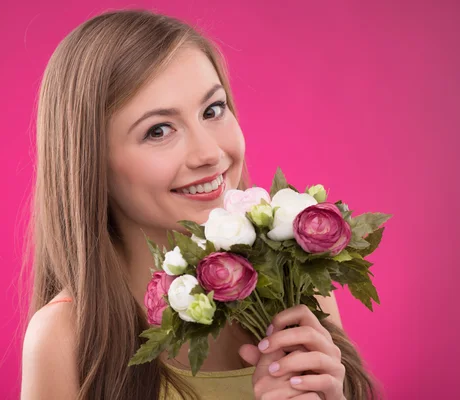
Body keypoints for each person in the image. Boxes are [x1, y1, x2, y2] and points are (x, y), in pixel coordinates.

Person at [19, 9, 380, 400]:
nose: (209, 153)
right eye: (158, 130)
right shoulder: (64, 338)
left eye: (213, 110)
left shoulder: (297, 282)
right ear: (91, 164)